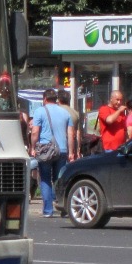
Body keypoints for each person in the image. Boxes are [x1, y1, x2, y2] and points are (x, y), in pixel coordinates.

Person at [29, 88, 75, 217]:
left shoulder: (39, 111)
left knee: (44, 178)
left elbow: (35, 132)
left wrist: (33, 147)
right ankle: (62, 206)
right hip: (62, 150)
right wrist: (71, 152)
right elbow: (70, 134)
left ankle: (48, 210)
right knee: (59, 179)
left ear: (44, 99)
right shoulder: (66, 113)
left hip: (45, 150)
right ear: (56, 99)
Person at [57, 88, 82, 157]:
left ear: (58, 100)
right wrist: (78, 150)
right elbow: (78, 133)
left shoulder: (56, 111)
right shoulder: (75, 113)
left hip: (58, 146)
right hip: (71, 146)